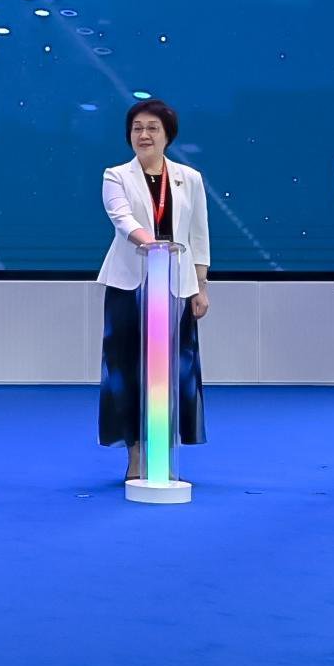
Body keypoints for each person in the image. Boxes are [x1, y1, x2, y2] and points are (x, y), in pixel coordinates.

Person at [97, 96, 212, 463]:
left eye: (152, 128)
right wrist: (154, 245)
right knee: (126, 368)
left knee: (174, 370)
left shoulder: (189, 178)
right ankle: (134, 453)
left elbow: (198, 234)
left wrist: (201, 286)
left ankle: (162, 451)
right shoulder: (116, 175)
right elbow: (122, 218)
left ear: (167, 135)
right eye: (137, 129)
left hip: (176, 287)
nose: (143, 135)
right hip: (129, 286)